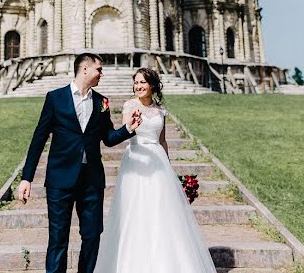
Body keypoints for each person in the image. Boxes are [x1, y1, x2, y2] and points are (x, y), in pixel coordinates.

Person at [18, 53, 142, 273]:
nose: (102, 74)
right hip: (60, 180)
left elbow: (108, 138)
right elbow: (38, 140)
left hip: (91, 181)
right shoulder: (55, 98)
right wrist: (26, 178)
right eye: (99, 69)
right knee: (58, 239)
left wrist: (128, 130)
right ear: (85, 69)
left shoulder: (101, 101)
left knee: (92, 235)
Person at [95, 68, 217, 272]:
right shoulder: (129, 105)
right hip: (135, 159)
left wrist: (168, 168)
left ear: (152, 85)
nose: (138, 86)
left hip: (158, 162)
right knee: (134, 210)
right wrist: (131, 125)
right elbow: (123, 133)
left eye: (142, 82)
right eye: (135, 83)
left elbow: (163, 140)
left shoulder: (161, 110)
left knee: (161, 210)